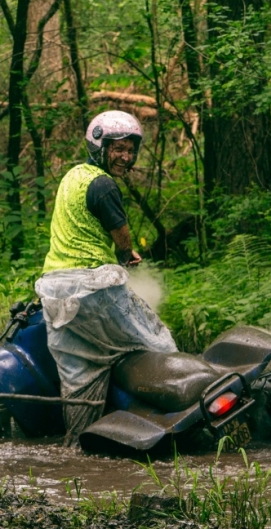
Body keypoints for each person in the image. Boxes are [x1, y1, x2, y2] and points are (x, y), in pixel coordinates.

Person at [34, 110, 178, 447]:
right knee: (159, 344)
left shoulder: (72, 177)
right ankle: (179, 431)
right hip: (93, 287)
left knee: (80, 377)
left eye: (130, 150)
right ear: (98, 145)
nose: (125, 157)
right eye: (118, 149)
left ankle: (78, 449)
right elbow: (120, 232)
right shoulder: (102, 184)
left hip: (56, 293)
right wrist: (127, 255)